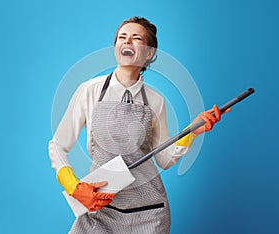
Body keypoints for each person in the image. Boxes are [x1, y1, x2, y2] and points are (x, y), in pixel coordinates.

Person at [49, 16, 226, 233]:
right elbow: (58, 145)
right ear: (115, 47)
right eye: (122, 37)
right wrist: (73, 186)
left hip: (148, 213)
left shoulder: (155, 100)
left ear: (149, 53)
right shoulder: (90, 90)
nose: (127, 42)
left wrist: (193, 131)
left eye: (136, 38)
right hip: (101, 207)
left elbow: (164, 158)